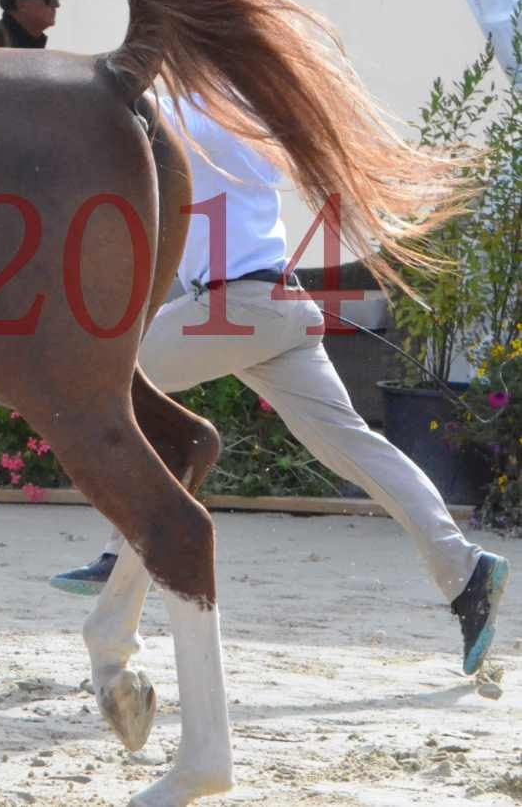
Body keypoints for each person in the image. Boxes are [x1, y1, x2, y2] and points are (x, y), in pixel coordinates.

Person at [47, 95, 510, 676]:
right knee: (356, 448)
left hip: (240, 305)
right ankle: (466, 571)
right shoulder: (240, 110)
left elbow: (125, 115)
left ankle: (119, 555)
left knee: (114, 383)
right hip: (274, 305)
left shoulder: (198, 111)